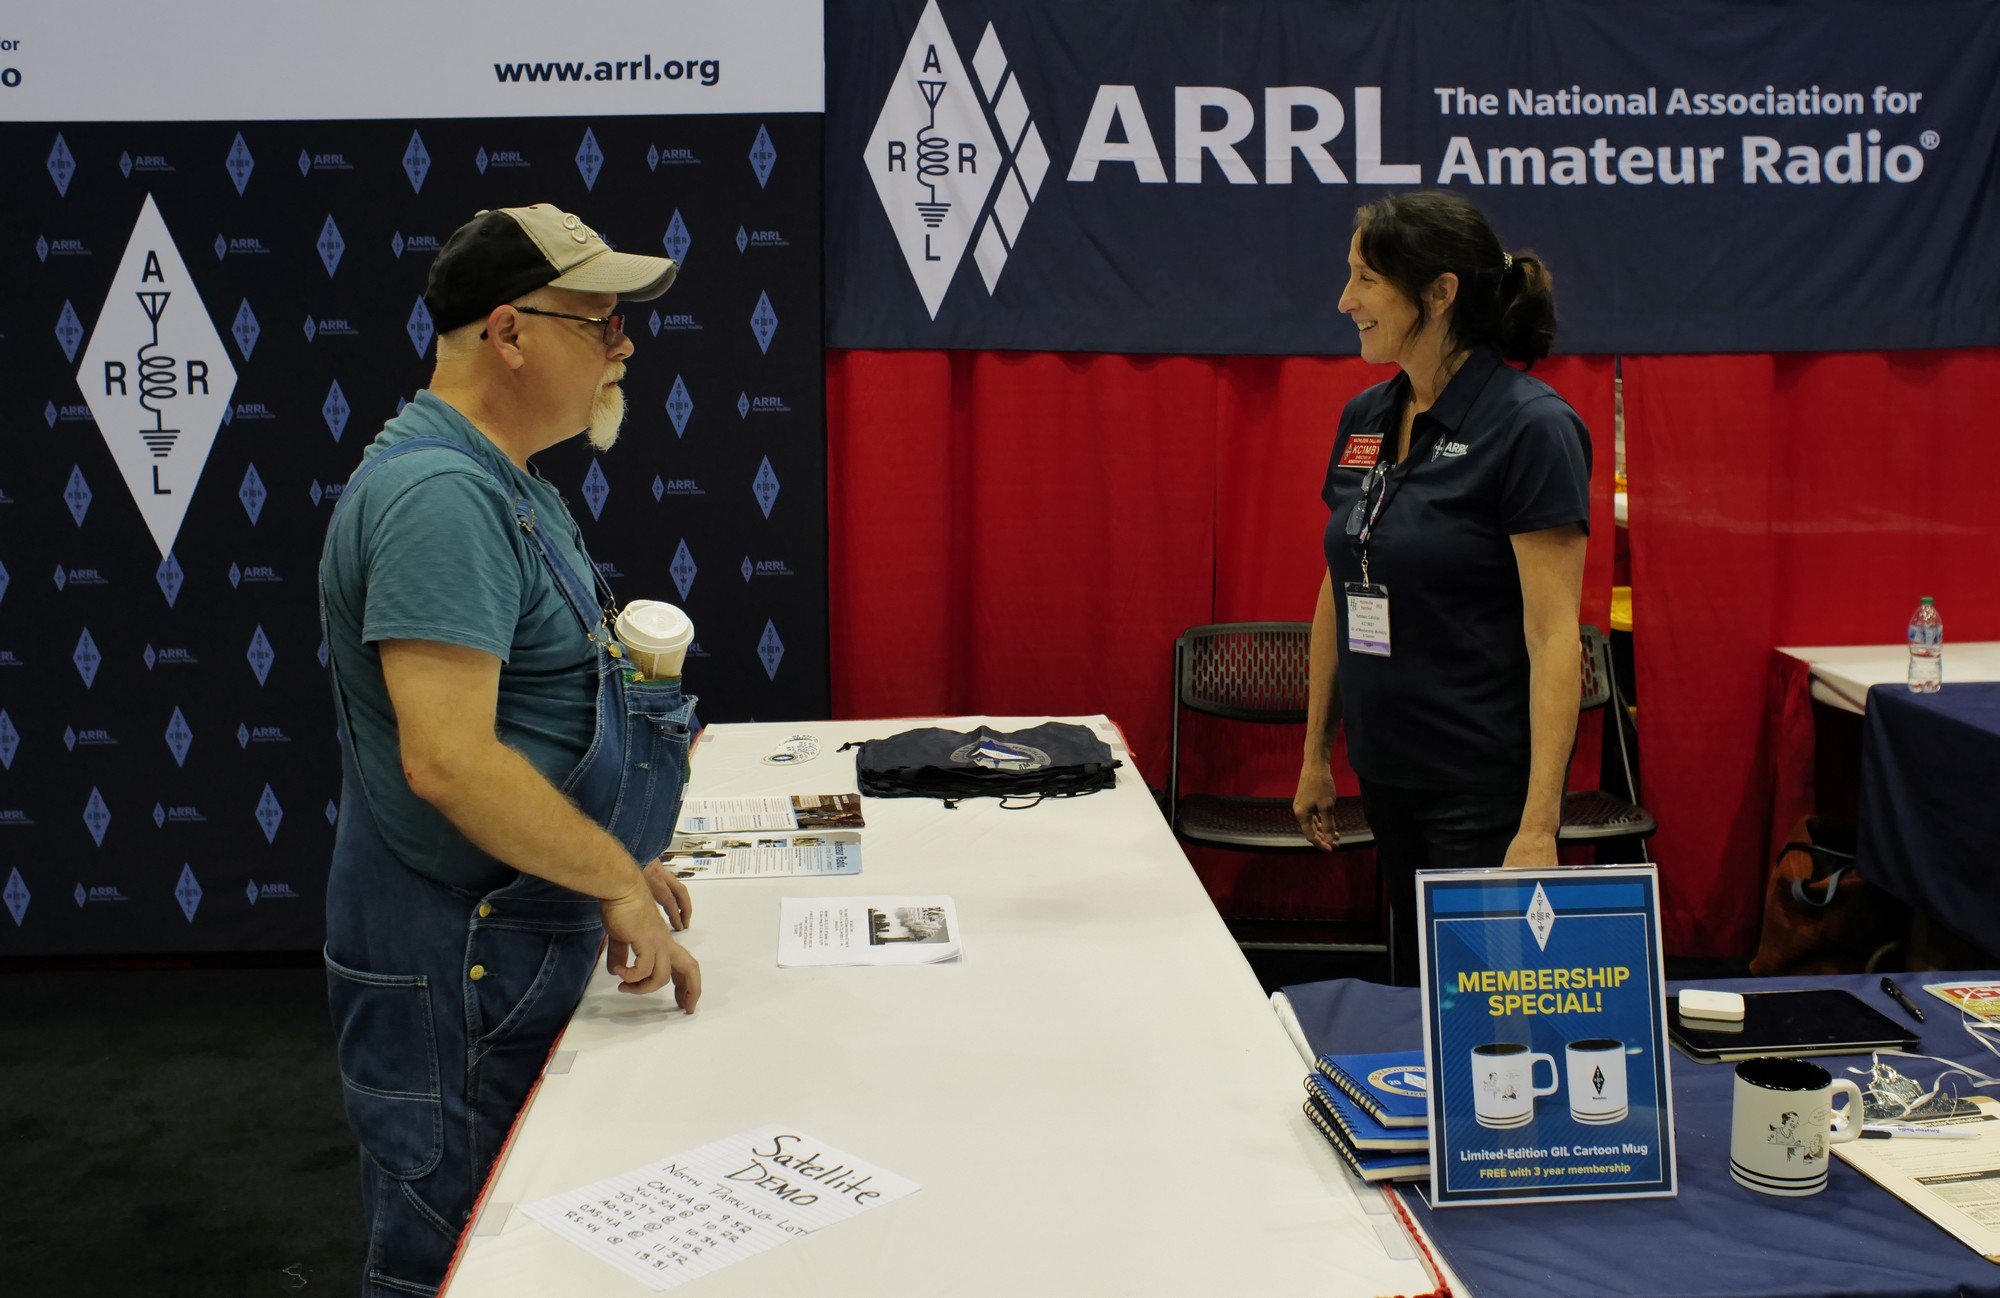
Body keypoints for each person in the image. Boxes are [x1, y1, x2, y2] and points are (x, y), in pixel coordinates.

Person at [318, 203, 704, 1296]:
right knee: (456, 1262)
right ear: (509, 332)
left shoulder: (501, 481)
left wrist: (604, 850)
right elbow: (450, 760)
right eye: (601, 322)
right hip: (460, 972)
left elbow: (531, 725)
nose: (625, 346)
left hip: (501, 947)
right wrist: (609, 874)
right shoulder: (441, 499)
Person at [1292, 190, 1591, 986]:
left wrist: (1539, 826)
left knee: (1487, 1014)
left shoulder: (1532, 427)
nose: (1345, 300)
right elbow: (1339, 583)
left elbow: (1554, 638)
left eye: (1366, 279)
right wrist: (1317, 753)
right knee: (1416, 1002)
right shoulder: (1366, 415)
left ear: (1439, 292)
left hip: (1481, 789)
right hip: (1387, 775)